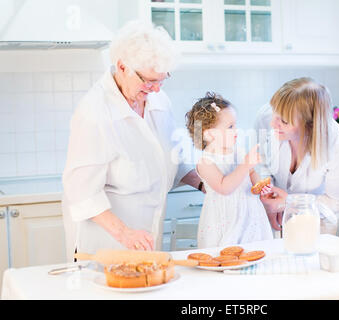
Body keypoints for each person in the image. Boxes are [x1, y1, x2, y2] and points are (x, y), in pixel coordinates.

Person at [62, 20, 202, 260]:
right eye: (149, 80)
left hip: (146, 238)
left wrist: (205, 184)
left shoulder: (158, 100)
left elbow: (171, 160)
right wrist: (125, 234)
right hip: (107, 243)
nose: (156, 88)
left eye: (162, 79)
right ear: (122, 66)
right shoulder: (94, 114)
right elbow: (82, 193)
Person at [255, 78, 339, 236]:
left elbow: (337, 201)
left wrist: (290, 203)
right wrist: (267, 193)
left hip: (316, 224)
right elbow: (262, 159)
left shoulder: (336, 143)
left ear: (309, 126)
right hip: (277, 222)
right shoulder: (270, 122)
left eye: (284, 121)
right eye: (274, 114)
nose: (273, 124)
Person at [185, 92, 273, 248]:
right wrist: (245, 165)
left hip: (249, 214)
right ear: (210, 134)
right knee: (226, 255)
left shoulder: (237, 151)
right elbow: (224, 187)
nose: (236, 130)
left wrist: (260, 185)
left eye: (235, 125)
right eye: (230, 126)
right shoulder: (206, 162)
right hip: (225, 219)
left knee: (255, 252)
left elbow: (251, 173)